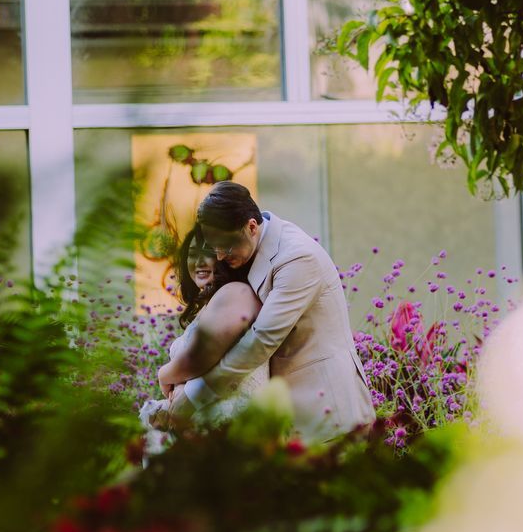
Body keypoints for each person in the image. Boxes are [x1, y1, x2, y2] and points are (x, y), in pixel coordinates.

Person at [162, 181, 376, 442]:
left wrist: (195, 395)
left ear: (251, 227)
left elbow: (262, 339)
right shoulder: (251, 251)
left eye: (225, 247)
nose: (218, 257)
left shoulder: (297, 258)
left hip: (328, 412)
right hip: (292, 417)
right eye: (213, 247)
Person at [136, 224, 267, 451]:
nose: (198, 262)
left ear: (224, 255)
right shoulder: (209, 305)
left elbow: (199, 359)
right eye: (193, 255)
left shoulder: (238, 292)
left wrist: (164, 376)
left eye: (207, 253)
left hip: (231, 430)